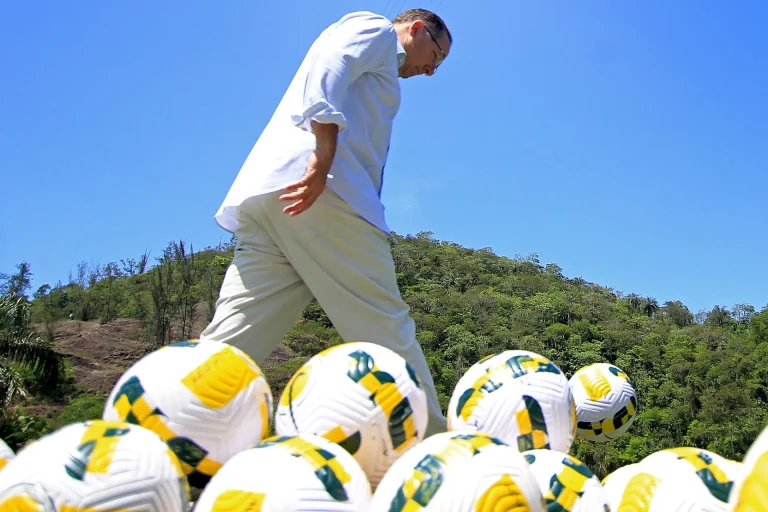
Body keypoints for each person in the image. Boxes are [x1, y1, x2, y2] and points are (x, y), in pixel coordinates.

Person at [199, 8, 453, 437]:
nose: (431, 70)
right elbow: (332, 62)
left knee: (232, 338)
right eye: (437, 54)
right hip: (324, 192)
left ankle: (167, 423)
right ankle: (439, 450)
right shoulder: (373, 29)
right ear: (415, 30)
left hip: (273, 197)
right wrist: (322, 153)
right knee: (382, 322)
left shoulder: (384, 70)